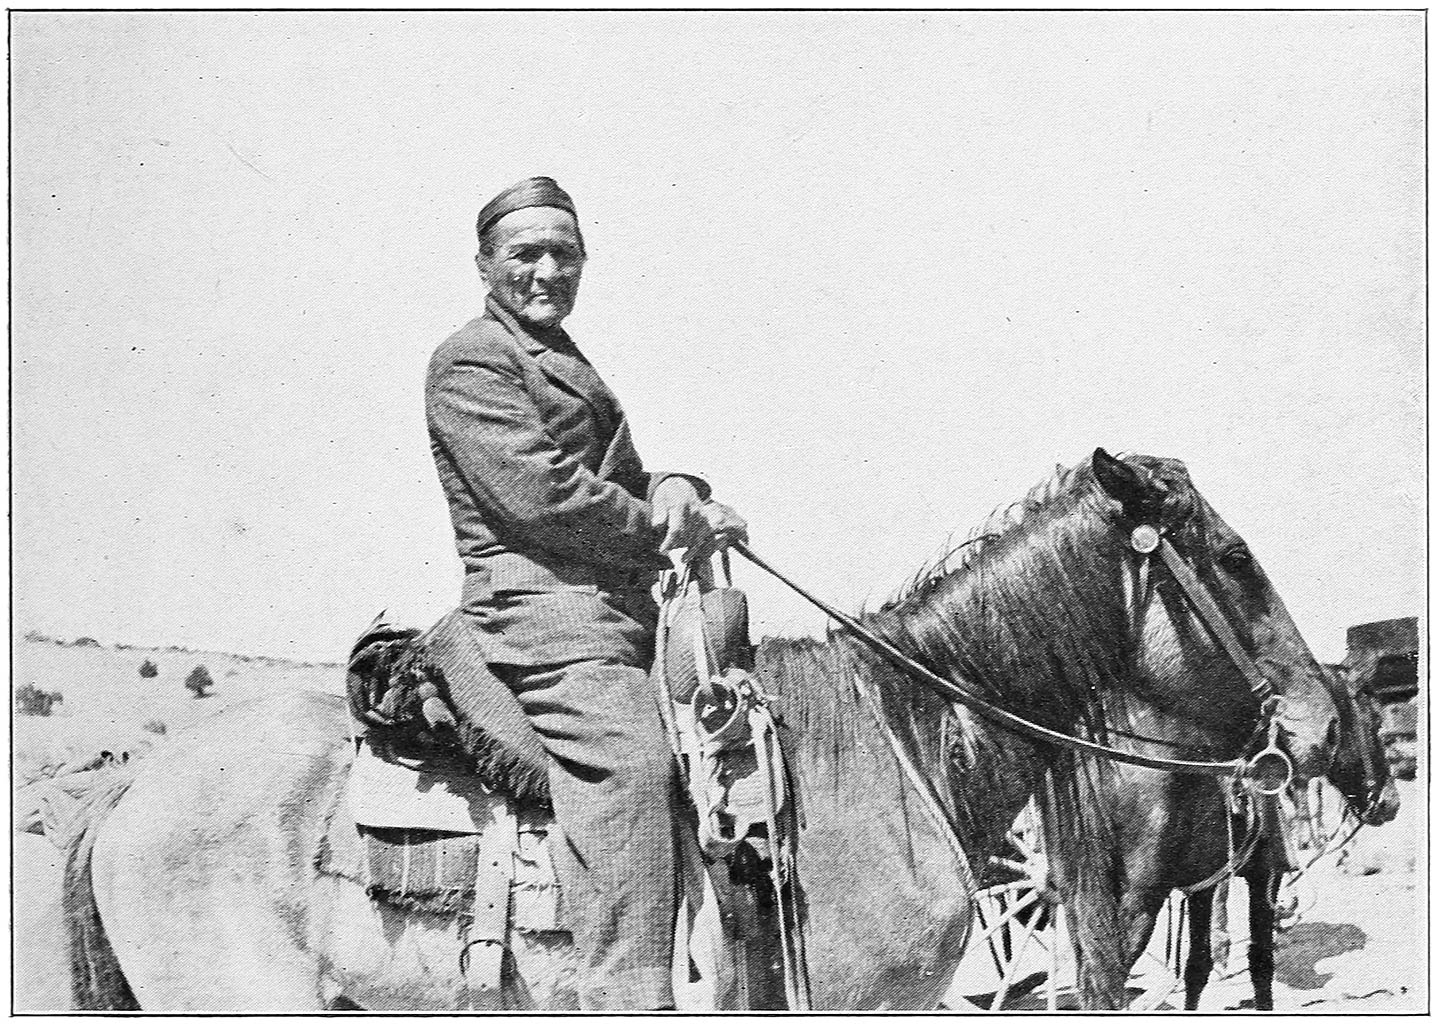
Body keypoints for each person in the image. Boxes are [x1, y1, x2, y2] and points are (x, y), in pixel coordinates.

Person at [425, 176, 747, 1010]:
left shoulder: (564, 358)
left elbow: (623, 480)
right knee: (633, 772)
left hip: (612, 609)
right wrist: (667, 530)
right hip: (546, 620)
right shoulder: (471, 359)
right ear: (484, 265)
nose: (544, 271)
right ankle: (627, 995)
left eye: (562, 254)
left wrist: (681, 487)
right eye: (524, 253)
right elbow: (542, 495)